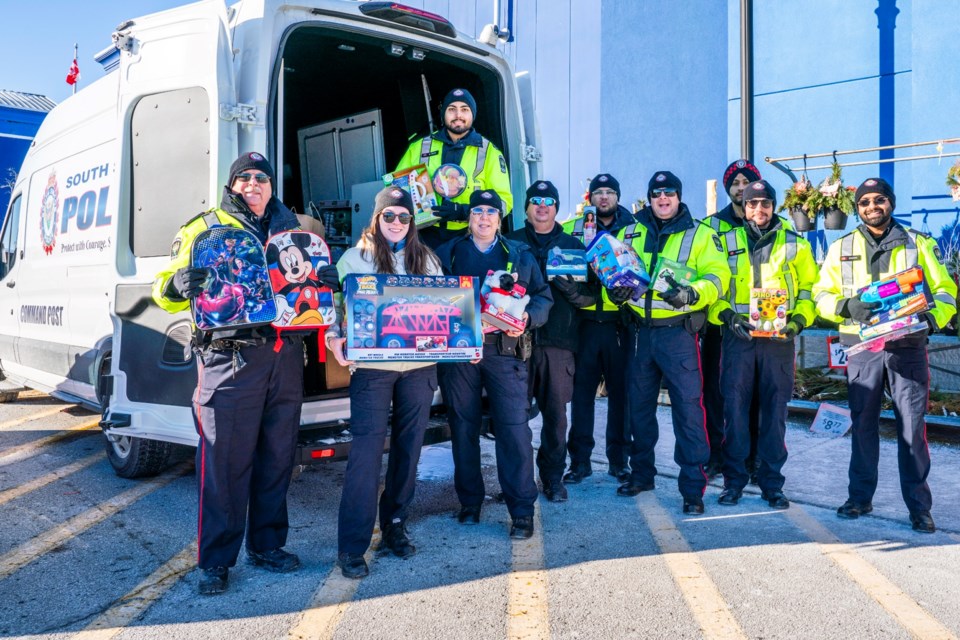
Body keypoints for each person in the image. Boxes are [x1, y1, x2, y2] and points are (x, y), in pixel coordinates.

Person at [153, 152, 337, 595]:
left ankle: (267, 545)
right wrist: (175, 287)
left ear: (272, 185)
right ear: (232, 184)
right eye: (244, 178)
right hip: (229, 358)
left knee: (277, 458)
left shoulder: (294, 229)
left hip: (285, 355)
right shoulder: (204, 226)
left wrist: (327, 280)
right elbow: (163, 287)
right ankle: (215, 560)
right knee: (224, 462)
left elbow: (310, 284)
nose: (253, 184)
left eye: (261, 178)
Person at [813, 177, 957, 533]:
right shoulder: (841, 247)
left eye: (879, 200)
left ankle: (919, 507)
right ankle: (859, 497)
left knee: (912, 428)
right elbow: (821, 294)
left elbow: (945, 290)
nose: (872, 207)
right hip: (862, 350)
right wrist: (848, 306)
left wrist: (930, 317)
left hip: (907, 348)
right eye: (864, 203)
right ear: (857, 208)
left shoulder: (917, 243)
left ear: (890, 203)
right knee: (862, 425)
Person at [324, 187, 442, 579]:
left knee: (409, 451)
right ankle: (352, 546)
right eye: (389, 216)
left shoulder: (425, 259)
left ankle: (394, 526)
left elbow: (446, 309)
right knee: (366, 455)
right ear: (376, 219)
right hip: (372, 370)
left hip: (418, 369)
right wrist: (333, 338)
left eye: (403, 217)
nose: (396, 223)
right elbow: (335, 309)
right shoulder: (352, 259)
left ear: (412, 222)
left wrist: (465, 341)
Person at [434, 189, 553, 539]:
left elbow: (544, 297)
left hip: (505, 351)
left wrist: (528, 318)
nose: (484, 218)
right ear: (469, 218)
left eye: (491, 213)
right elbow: (432, 299)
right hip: (460, 354)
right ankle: (470, 502)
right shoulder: (449, 253)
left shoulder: (518, 255)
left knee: (514, 430)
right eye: (477, 212)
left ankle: (521, 512)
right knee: (463, 427)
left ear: (499, 219)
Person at [614, 171, 730, 514]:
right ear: (649, 197)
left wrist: (693, 293)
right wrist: (614, 290)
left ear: (679, 196)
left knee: (688, 411)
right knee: (639, 409)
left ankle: (693, 489)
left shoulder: (701, 234)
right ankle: (641, 474)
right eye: (656, 193)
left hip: (678, 334)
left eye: (669, 193)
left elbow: (718, 276)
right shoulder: (629, 231)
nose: (663, 199)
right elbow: (614, 270)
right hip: (639, 332)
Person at [708, 180, 818, 509]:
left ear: (774, 207)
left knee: (774, 414)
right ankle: (734, 482)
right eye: (753, 203)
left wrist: (799, 321)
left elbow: (808, 290)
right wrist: (726, 316)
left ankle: (772, 484)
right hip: (738, 339)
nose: (759, 209)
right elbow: (715, 288)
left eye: (765, 203)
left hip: (778, 341)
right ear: (744, 206)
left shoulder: (795, 243)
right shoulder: (725, 241)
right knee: (735, 412)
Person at [506, 180, 598, 502]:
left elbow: (591, 299)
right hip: (514, 341)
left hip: (559, 343)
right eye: (535, 201)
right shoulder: (510, 242)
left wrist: (571, 290)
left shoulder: (573, 244)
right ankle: (518, 483)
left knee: (556, 418)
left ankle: (553, 478)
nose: (542, 206)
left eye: (549, 201)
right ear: (527, 208)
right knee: (514, 418)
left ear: (556, 207)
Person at [561, 173, 637, 485]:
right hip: (586, 323)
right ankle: (580, 462)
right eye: (598, 192)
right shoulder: (573, 228)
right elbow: (558, 259)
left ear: (618, 196)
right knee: (581, 397)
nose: (603, 197)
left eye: (609, 192)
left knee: (621, 396)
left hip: (620, 324)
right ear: (589, 197)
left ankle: (619, 462)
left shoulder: (634, 229)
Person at [701, 159, 764, 479]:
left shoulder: (767, 224)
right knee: (715, 393)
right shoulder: (712, 226)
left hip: (759, 324)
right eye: (735, 183)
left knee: (752, 394)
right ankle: (716, 455)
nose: (741, 188)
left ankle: (751, 457)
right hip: (719, 324)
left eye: (746, 182)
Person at [395, 88, 512, 248]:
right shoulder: (419, 147)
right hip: (423, 235)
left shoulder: (490, 152)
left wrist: (464, 212)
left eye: (464, 109)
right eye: (452, 109)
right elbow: (396, 191)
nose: (458, 115)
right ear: (443, 113)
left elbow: (504, 201)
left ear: (473, 114)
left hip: (469, 236)